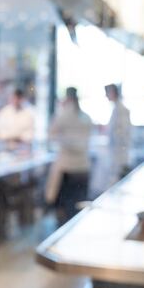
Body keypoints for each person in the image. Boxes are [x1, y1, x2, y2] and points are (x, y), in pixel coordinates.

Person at [45, 87, 93, 225]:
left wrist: (64, 141)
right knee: (79, 206)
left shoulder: (63, 116)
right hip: (82, 168)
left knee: (66, 208)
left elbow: (51, 134)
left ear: (67, 98)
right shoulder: (85, 117)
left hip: (67, 169)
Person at [104, 84, 132, 185]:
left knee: (117, 181)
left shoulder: (122, 110)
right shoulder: (116, 109)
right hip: (116, 154)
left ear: (113, 92)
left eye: (107, 93)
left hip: (120, 155)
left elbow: (123, 132)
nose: (106, 96)